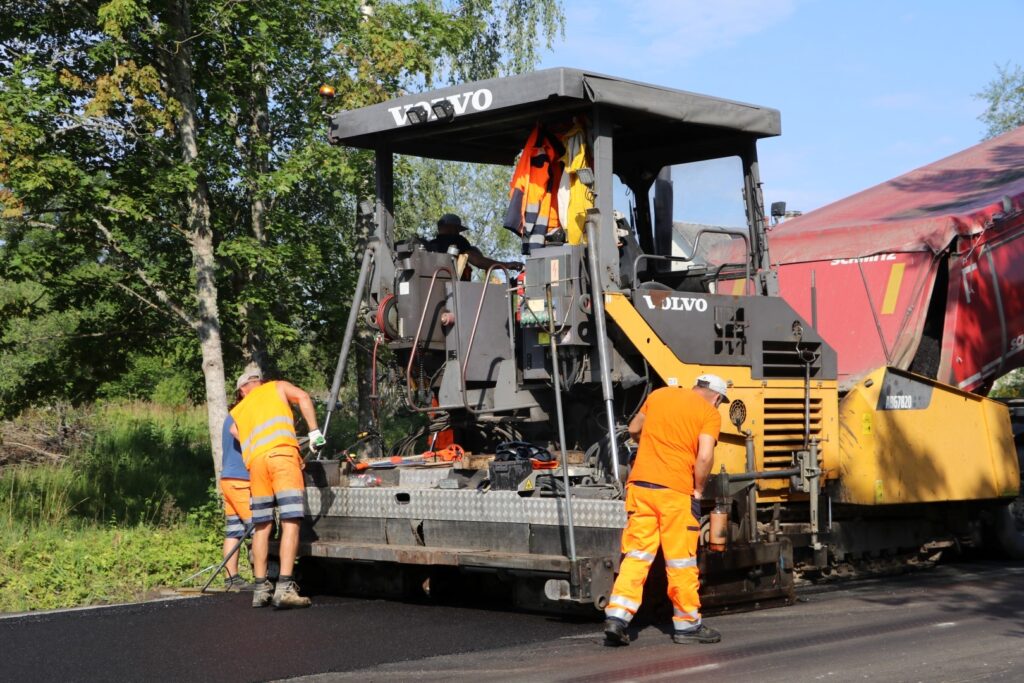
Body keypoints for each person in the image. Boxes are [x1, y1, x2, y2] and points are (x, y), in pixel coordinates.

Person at [603, 374, 729, 646]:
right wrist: (698, 489)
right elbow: (705, 456)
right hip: (674, 493)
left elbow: (635, 428)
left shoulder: (660, 395)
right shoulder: (709, 413)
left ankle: (617, 618)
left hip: (640, 487)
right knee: (680, 560)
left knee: (636, 555)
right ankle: (687, 625)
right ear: (717, 398)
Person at [230, 365, 326, 609]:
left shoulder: (239, 409)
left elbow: (237, 433)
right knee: (290, 519)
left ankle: (261, 588)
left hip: (257, 466)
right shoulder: (277, 387)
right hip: (282, 458)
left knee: (262, 525)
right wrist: (314, 433)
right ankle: (284, 587)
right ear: (259, 382)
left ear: (243, 389)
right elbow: (303, 397)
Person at [425, 213, 521, 277]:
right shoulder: (457, 240)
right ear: (452, 227)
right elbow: (478, 261)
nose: (458, 232)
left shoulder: (430, 245)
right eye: (457, 229)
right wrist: (507, 265)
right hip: (455, 290)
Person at [220, 413, 254, 591]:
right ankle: (263, 577)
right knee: (258, 529)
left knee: (234, 530)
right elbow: (235, 431)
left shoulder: (232, 414)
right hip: (241, 479)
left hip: (229, 478)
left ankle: (231, 578)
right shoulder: (243, 412)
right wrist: (257, 446)